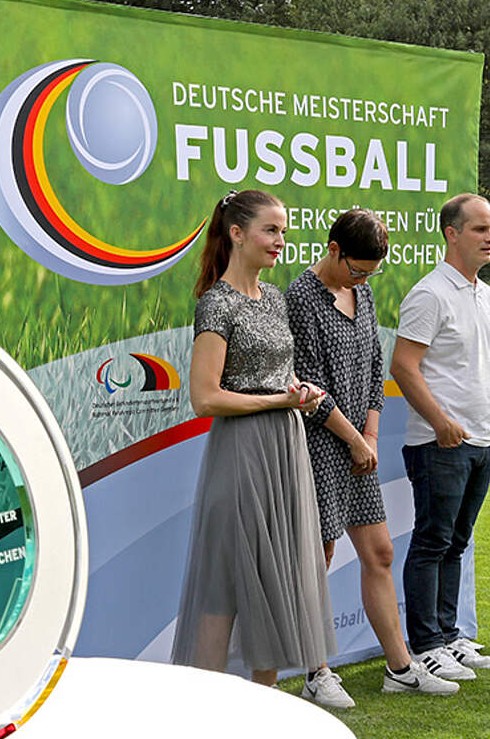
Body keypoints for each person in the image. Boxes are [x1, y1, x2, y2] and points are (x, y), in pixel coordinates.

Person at [286, 209, 458, 703]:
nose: (362, 280)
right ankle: (316, 672)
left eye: (371, 273)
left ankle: (400, 667)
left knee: (380, 552)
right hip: (319, 444)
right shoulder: (301, 298)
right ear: (334, 250)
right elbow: (310, 387)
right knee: (318, 557)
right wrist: (355, 439)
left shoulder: (362, 293)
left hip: (359, 445)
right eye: (357, 270)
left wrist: (371, 433)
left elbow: (373, 368)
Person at [171, 189, 336, 690]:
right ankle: (207, 709)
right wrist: (278, 401)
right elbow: (205, 398)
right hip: (242, 451)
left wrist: (298, 391)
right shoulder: (216, 303)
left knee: (278, 580)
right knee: (224, 587)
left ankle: (264, 706)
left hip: (285, 448)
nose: (280, 240)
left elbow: (277, 374)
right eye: (271, 230)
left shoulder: (276, 298)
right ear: (237, 234)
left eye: (283, 231)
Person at [390, 192, 490, 682]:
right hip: (439, 444)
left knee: (456, 541)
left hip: (482, 439)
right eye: (480, 229)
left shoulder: (486, 294)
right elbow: (403, 366)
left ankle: (449, 634)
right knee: (432, 541)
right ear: (451, 234)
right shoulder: (429, 294)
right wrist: (440, 422)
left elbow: (486, 358)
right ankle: (426, 646)